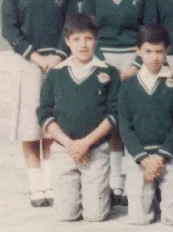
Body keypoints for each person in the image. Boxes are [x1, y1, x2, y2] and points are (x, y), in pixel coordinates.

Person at [4, 0, 76, 207]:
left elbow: (71, 25)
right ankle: (36, 186)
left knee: (51, 127)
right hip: (28, 64)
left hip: (58, 63)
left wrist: (58, 55)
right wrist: (33, 55)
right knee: (30, 127)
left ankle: (51, 183)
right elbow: (9, 30)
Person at [80, 0, 150, 201]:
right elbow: (88, 32)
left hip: (135, 59)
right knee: (108, 120)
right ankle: (111, 180)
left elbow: (149, 30)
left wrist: (137, 64)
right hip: (103, 60)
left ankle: (129, 178)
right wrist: (104, 65)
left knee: (130, 120)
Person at [37, 14, 119, 221]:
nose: (82, 45)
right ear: (67, 41)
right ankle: (83, 190)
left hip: (96, 149)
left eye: (88, 38)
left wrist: (86, 143)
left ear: (96, 40)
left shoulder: (109, 72)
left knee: (96, 216)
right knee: (66, 215)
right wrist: (70, 144)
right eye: (76, 39)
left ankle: (101, 191)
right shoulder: (56, 74)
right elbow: (44, 112)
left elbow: (114, 113)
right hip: (64, 150)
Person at [118, 24, 173, 225]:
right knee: (139, 219)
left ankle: (161, 195)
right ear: (138, 50)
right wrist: (144, 159)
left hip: (168, 155)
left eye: (159, 51)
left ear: (167, 51)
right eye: (148, 51)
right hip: (140, 157)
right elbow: (125, 127)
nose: (154, 57)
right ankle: (151, 197)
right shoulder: (128, 86)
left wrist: (161, 156)